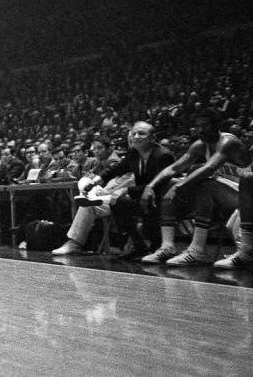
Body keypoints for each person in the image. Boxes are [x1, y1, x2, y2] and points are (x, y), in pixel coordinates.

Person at [139, 108, 248, 266]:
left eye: (205, 125)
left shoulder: (228, 142)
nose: (200, 130)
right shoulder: (200, 145)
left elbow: (208, 169)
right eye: (197, 126)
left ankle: (197, 250)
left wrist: (179, 188)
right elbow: (174, 168)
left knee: (204, 184)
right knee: (171, 182)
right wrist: (150, 186)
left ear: (216, 125)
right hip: (226, 194)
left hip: (246, 195)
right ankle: (167, 246)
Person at [51, 122, 174, 259]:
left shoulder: (163, 155)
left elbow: (156, 186)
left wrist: (125, 190)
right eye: (134, 134)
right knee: (90, 203)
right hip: (136, 198)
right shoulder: (134, 153)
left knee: (121, 201)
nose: (136, 136)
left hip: (159, 201)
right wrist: (94, 182)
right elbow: (115, 170)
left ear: (152, 138)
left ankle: (145, 246)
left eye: (141, 133)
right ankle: (74, 243)